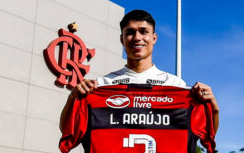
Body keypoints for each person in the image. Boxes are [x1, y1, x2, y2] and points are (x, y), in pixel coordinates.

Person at [60, 9, 219, 133]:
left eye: (143, 31)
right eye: (130, 32)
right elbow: (67, 130)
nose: (137, 37)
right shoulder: (101, 86)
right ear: (121, 39)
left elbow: (204, 131)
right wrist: (72, 98)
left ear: (154, 38)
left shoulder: (175, 85)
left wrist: (213, 108)